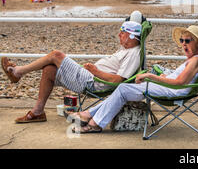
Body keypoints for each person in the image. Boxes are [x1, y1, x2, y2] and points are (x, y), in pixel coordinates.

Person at [1, 20, 143, 124]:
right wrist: (94, 70)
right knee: (49, 70)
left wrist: (95, 71)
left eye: (122, 33)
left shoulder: (133, 54)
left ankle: (18, 72)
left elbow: (117, 80)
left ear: (131, 36)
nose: (119, 35)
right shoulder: (126, 49)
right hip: (89, 76)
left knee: (56, 55)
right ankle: (38, 112)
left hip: (92, 82)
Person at [71, 25, 198, 133]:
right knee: (123, 89)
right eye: (182, 41)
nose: (183, 44)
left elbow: (180, 82)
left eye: (187, 41)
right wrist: (164, 76)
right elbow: (180, 79)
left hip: (174, 91)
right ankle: (88, 115)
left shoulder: (195, 60)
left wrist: (150, 76)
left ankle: (95, 123)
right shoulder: (195, 60)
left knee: (123, 89)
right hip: (171, 88)